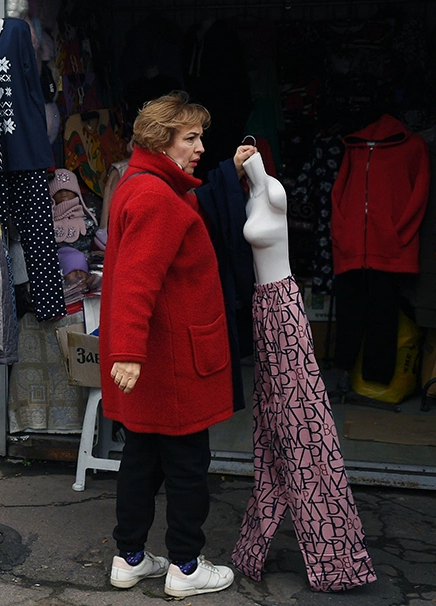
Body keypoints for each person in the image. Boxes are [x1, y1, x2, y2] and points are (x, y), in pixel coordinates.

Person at [99, 91, 255, 598]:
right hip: (169, 362)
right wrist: (128, 350)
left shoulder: (143, 183)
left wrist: (228, 170)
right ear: (161, 142)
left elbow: (192, 206)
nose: (200, 147)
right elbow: (137, 282)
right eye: (190, 138)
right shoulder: (156, 197)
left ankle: (130, 558)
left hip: (153, 360)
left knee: (141, 460)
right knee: (187, 466)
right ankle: (186, 568)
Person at [231, 151, 377, 591]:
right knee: (275, 426)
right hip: (264, 308)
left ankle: (337, 555)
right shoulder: (251, 193)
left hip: (284, 308)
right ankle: (259, 542)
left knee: (305, 427)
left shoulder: (273, 191)